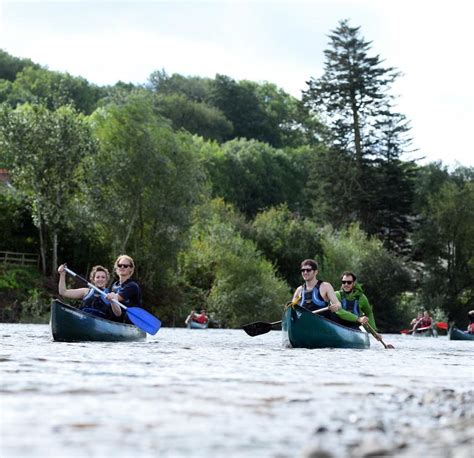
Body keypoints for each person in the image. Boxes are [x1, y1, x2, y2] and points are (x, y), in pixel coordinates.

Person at [106, 254, 142, 323]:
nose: (122, 267)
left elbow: (116, 298)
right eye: (119, 265)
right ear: (117, 268)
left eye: (125, 266)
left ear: (131, 268)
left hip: (128, 322)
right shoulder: (115, 285)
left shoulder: (132, 286)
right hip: (115, 321)